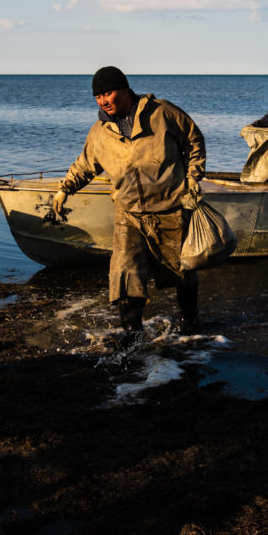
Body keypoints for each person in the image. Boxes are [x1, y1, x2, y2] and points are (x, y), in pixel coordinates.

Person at [52, 66, 206, 346]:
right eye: (97, 96)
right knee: (124, 276)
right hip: (129, 214)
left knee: (182, 273)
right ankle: (133, 336)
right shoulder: (101, 132)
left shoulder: (161, 113)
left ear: (124, 89)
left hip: (170, 208)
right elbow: (86, 164)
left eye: (108, 93)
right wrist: (65, 189)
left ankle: (190, 324)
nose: (103, 101)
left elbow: (194, 140)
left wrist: (193, 178)